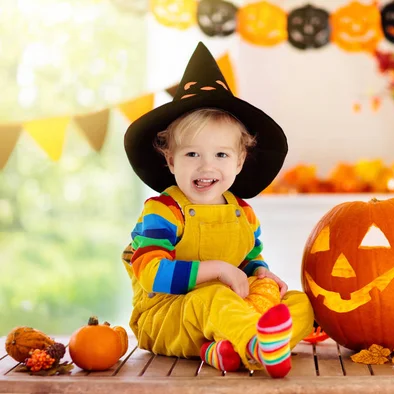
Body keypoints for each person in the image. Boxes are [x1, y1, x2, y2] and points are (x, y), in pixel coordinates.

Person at [121, 42, 314, 379]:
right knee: (211, 297)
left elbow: (249, 258)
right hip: (168, 317)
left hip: (227, 315)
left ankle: (225, 350)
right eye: (192, 155)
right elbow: (151, 274)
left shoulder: (243, 213)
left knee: (301, 303)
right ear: (170, 160)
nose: (206, 167)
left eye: (221, 155)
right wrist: (218, 270)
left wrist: (261, 274)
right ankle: (256, 346)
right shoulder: (163, 211)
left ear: (239, 161)